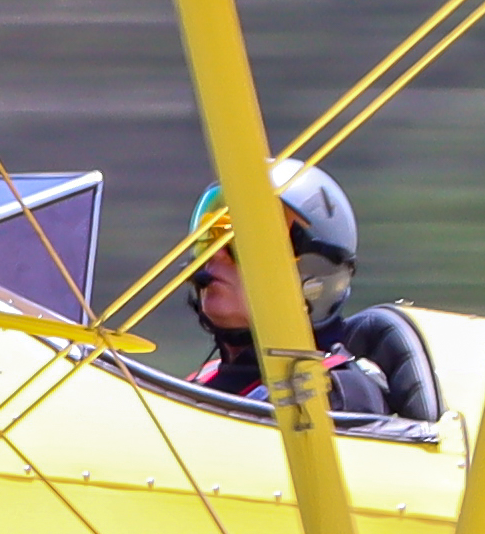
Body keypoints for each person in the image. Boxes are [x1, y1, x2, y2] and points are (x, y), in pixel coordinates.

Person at [182, 158, 441, 430]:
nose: (216, 254)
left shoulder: (336, 395)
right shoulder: (202, 380)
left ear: (312, 274)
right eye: (211, 236)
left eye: (243, 243)